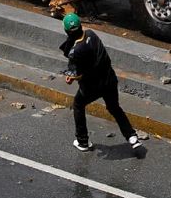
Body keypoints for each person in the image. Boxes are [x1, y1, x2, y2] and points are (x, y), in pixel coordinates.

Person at [60, 13, 147, 152]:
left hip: (93, 87)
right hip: (109, 80)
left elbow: (78, 74)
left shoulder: (76, 51)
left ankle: (83, 141)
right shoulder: (91, 34)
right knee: (114, 108)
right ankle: (131, 136)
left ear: (66, 31)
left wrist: (71, 78)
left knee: (78, 104)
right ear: (81, 26)